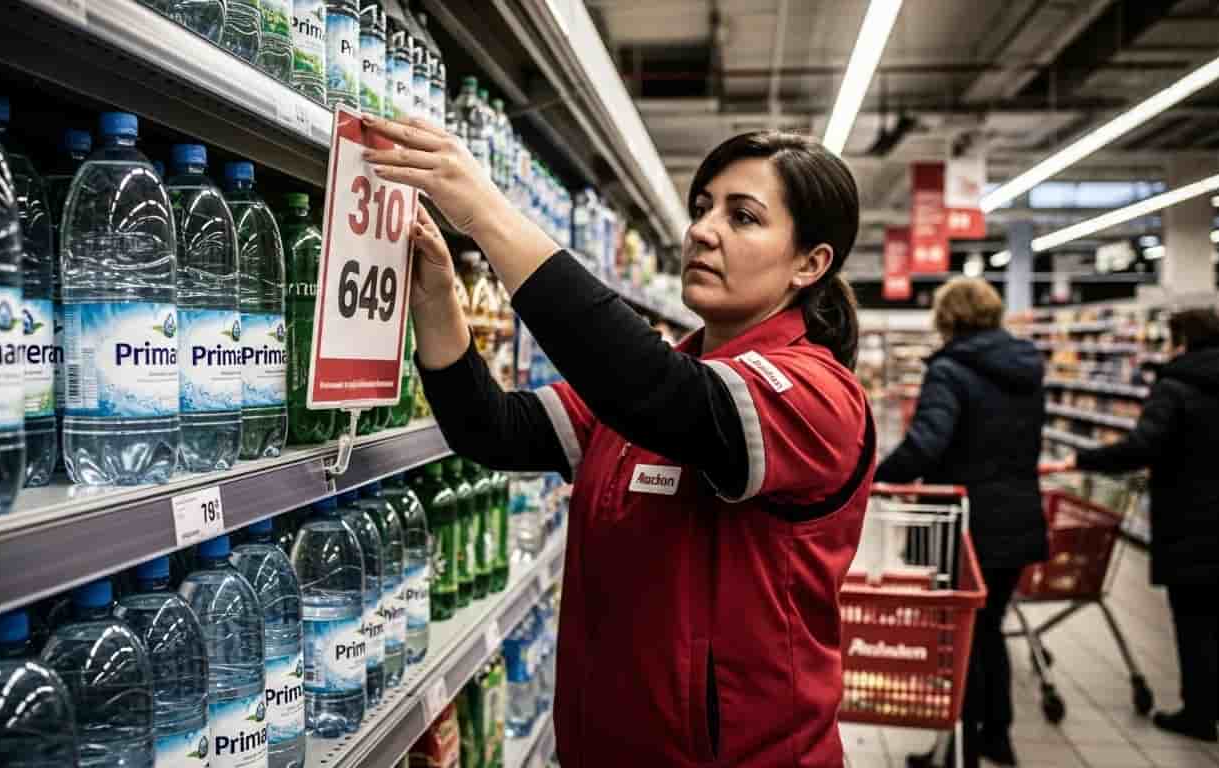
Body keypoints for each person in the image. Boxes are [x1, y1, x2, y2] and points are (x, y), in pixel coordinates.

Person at [363, 117, 874, 766]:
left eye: (742, 217)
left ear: (811, 262)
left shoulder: (818, 396)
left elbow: (664, 398)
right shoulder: (658, 378)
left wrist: (489, 214)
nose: (702, 231)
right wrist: (437, 294)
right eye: (702, 208)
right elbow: (492, 430)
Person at [1046, 308, 1219, 743]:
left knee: (1192, 617)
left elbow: (1143, 446)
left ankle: (1199, 713)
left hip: (1191, 520)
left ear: (1182, 341)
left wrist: (1081, 459)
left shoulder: (1175, 388)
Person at [873, 278, 1048, 768]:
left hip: (967, 525)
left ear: (947, 318)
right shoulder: (1028, 369)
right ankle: (994, 736)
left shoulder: (950, 371)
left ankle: (960, 748)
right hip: (1017, 519)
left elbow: (928, 443)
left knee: (962, 636)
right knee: (988, 628)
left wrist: (875, 476)